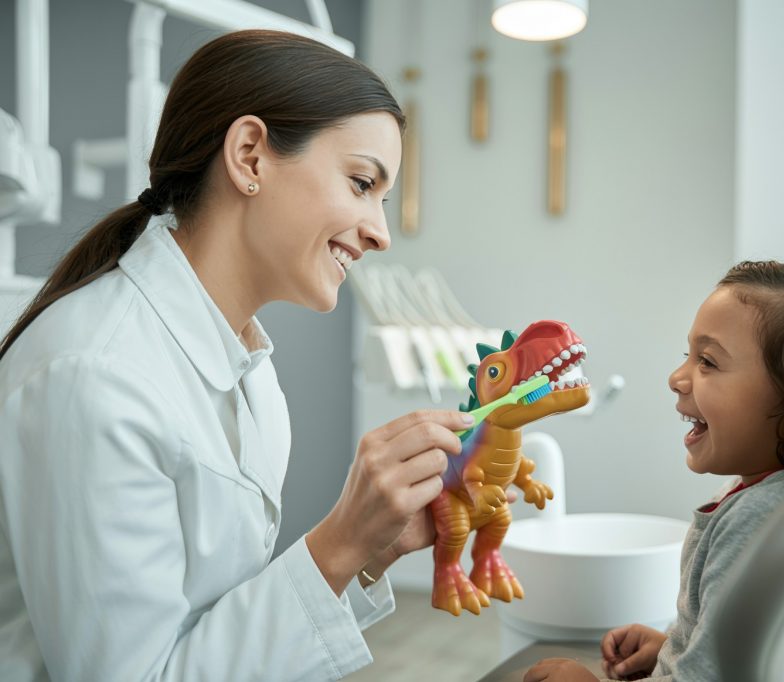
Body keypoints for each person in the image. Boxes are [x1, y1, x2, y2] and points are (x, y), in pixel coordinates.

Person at [0, 29, 474, 681]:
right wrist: (333, 547)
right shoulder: (94, 378)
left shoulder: (246, 370)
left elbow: (214, 633)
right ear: (250, 155)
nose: (381, 233)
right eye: (362, 183)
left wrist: (366, 550)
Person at [524, 259, 784, 682]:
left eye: (709, 362)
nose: (677, 378)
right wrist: (676, 648)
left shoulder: (761, 519)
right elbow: (747, 657)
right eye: (689, 355)